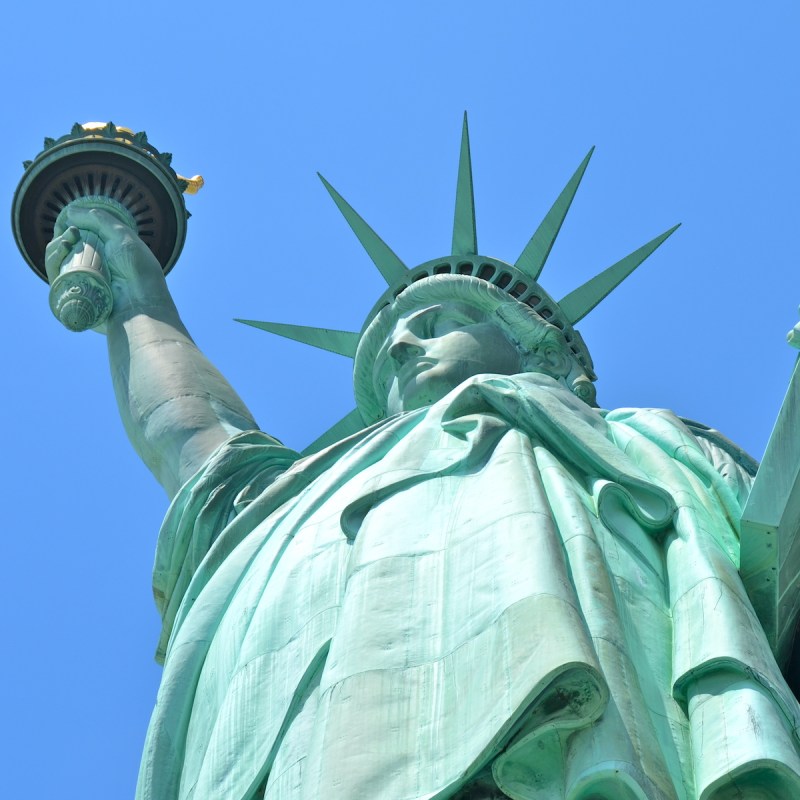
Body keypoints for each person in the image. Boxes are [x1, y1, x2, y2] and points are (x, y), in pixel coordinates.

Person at [46, 150, 800, 800]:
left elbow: (779, 561)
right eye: (387, 346)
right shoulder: (307, 493)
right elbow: (196, 439)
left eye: (438, 322)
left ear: (547, 354)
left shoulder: (649, 445)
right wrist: (134, 292)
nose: (405, 343)